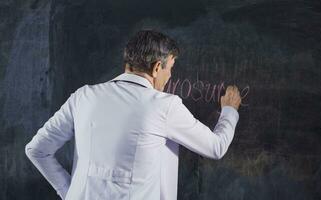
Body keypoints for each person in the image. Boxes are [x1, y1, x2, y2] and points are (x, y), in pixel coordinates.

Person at [25, 30, 241, 200]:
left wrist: (69, 191)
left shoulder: (83, 96)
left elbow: (37, 150)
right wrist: (230, 111)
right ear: (157, 67)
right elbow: (216, 147)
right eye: (170, 68)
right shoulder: (163, 105)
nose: (170, 76)